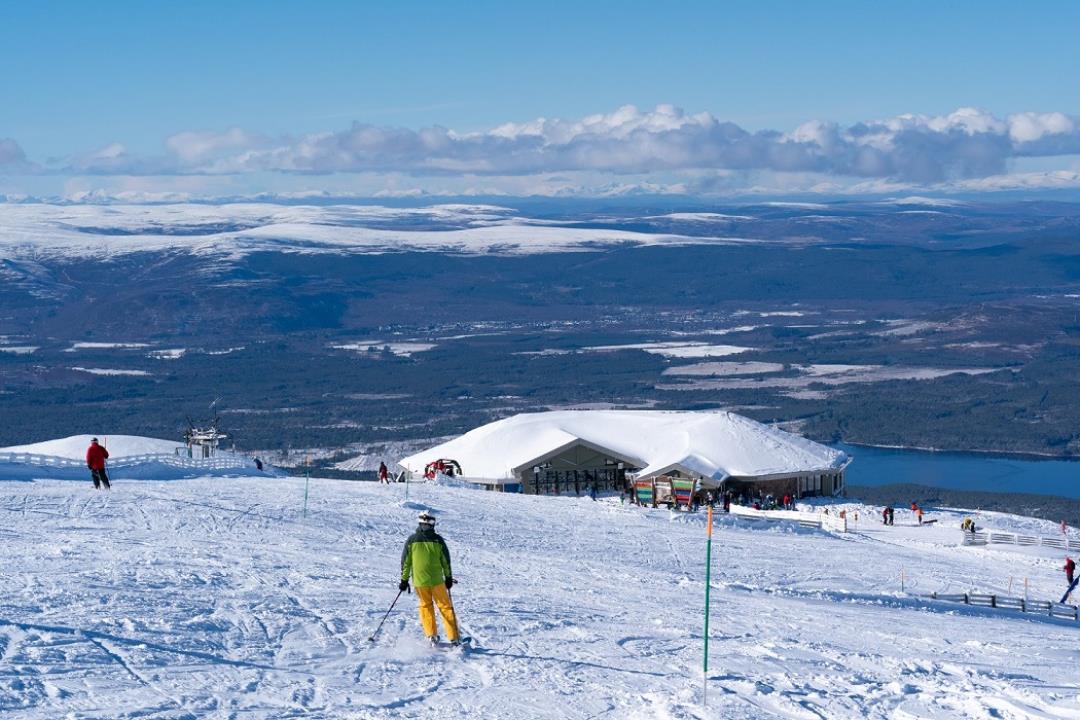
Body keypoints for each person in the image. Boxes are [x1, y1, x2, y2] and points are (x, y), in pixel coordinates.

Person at [399, 512, 460, 646]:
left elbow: (406, 562)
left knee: (426, 606)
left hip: (420, 582)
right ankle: (454, 637)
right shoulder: (438, 540)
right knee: (445, 606)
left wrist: (404, 580)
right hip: (437, 581)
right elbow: (445, 561)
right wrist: (448, 577)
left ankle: (431, 634)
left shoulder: (412, 540)